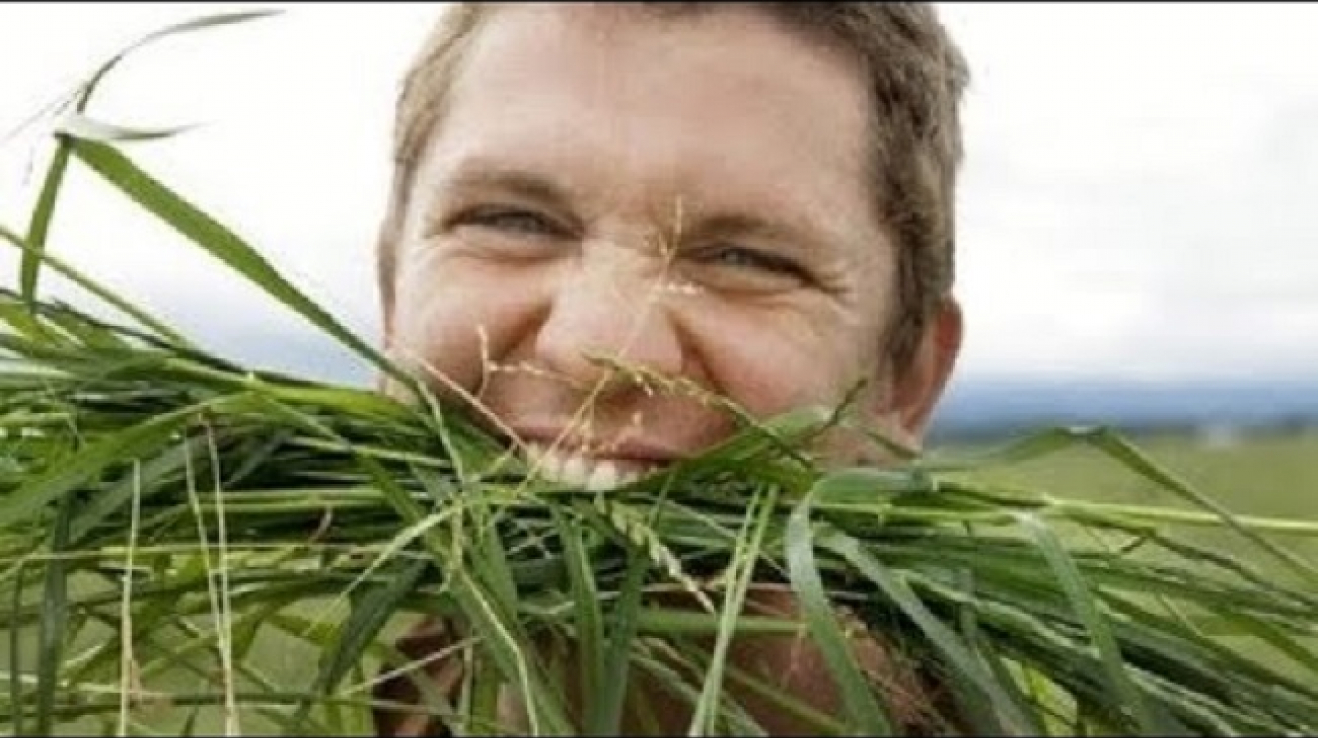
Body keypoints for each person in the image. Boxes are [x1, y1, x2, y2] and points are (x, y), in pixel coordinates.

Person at [369, 2, 969, 734]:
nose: (594, 352)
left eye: (747, 260)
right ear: (392, 297)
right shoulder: (392, 695)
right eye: (511, 221)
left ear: (907, 382)